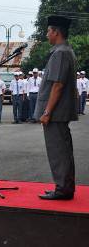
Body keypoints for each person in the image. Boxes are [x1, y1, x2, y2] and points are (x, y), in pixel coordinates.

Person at [35, 15, 78, 201]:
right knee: (63, 150)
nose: (47, 35)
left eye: (48, 31)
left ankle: (63, 189)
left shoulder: (60, 52)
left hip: (56, 113)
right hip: (59, 112)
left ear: (56, 32)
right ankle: (65, 187)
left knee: (58, 150)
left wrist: (47, 112)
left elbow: (58, 85)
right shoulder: (64, 50)